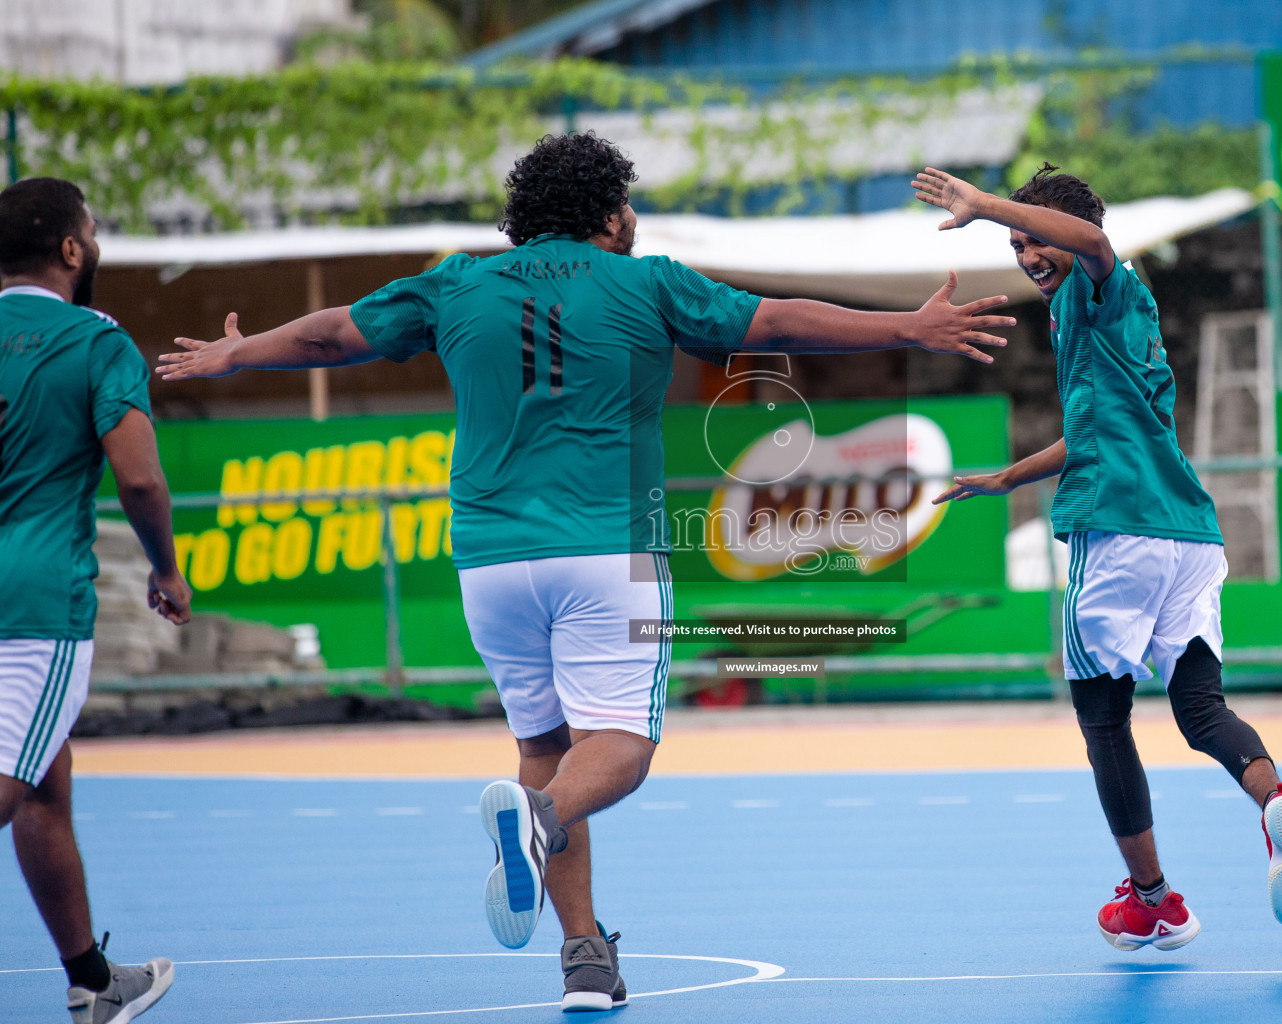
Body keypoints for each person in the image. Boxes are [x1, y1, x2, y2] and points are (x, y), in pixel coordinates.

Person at [158, 131, 1015, 1011]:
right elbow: (777, 320)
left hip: (489, 559)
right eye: (629, 205)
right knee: (623, 751)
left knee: (543, 750)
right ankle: (537, 825)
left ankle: (583, 954)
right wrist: (908, 325)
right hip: (611, 551)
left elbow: (337, 335)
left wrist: (241, 350)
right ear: (609, 216)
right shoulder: (646, 282)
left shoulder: (456, 281)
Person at [917, 163, 1282, 950]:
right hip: (1187, 536)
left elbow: (1094, 241)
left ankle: (1155, 902)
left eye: (1035, 238)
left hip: (1121, 531)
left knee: (1102, 718)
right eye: (1014, 242)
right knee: (1201, 710)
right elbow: (1098, 433)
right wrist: (1008, 476)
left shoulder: (1101, 281)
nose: (1026, 253)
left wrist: (985, 203)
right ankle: (1276, 806)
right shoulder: (1108, 317)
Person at [0, 177, 190, 1023]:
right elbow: (141, 478)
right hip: (31, 605)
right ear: (72, 250)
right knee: (11, 780)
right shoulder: (95, 341)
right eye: (93, 233)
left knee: (43, 782)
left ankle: (91, 980)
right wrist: (167, 570)